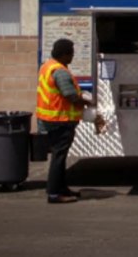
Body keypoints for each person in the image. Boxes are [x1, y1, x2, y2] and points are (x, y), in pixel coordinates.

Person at [36, 38, 93, 204]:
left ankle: (61, 188)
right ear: (63, 54)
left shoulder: (47, 66)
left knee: (59, 156)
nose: (73, 57)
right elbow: (70, 95)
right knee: (59, 158)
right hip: (59, 120)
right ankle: (54, 194)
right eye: (71, 54)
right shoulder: (59, 71)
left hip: (52, 119)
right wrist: (86, 102)